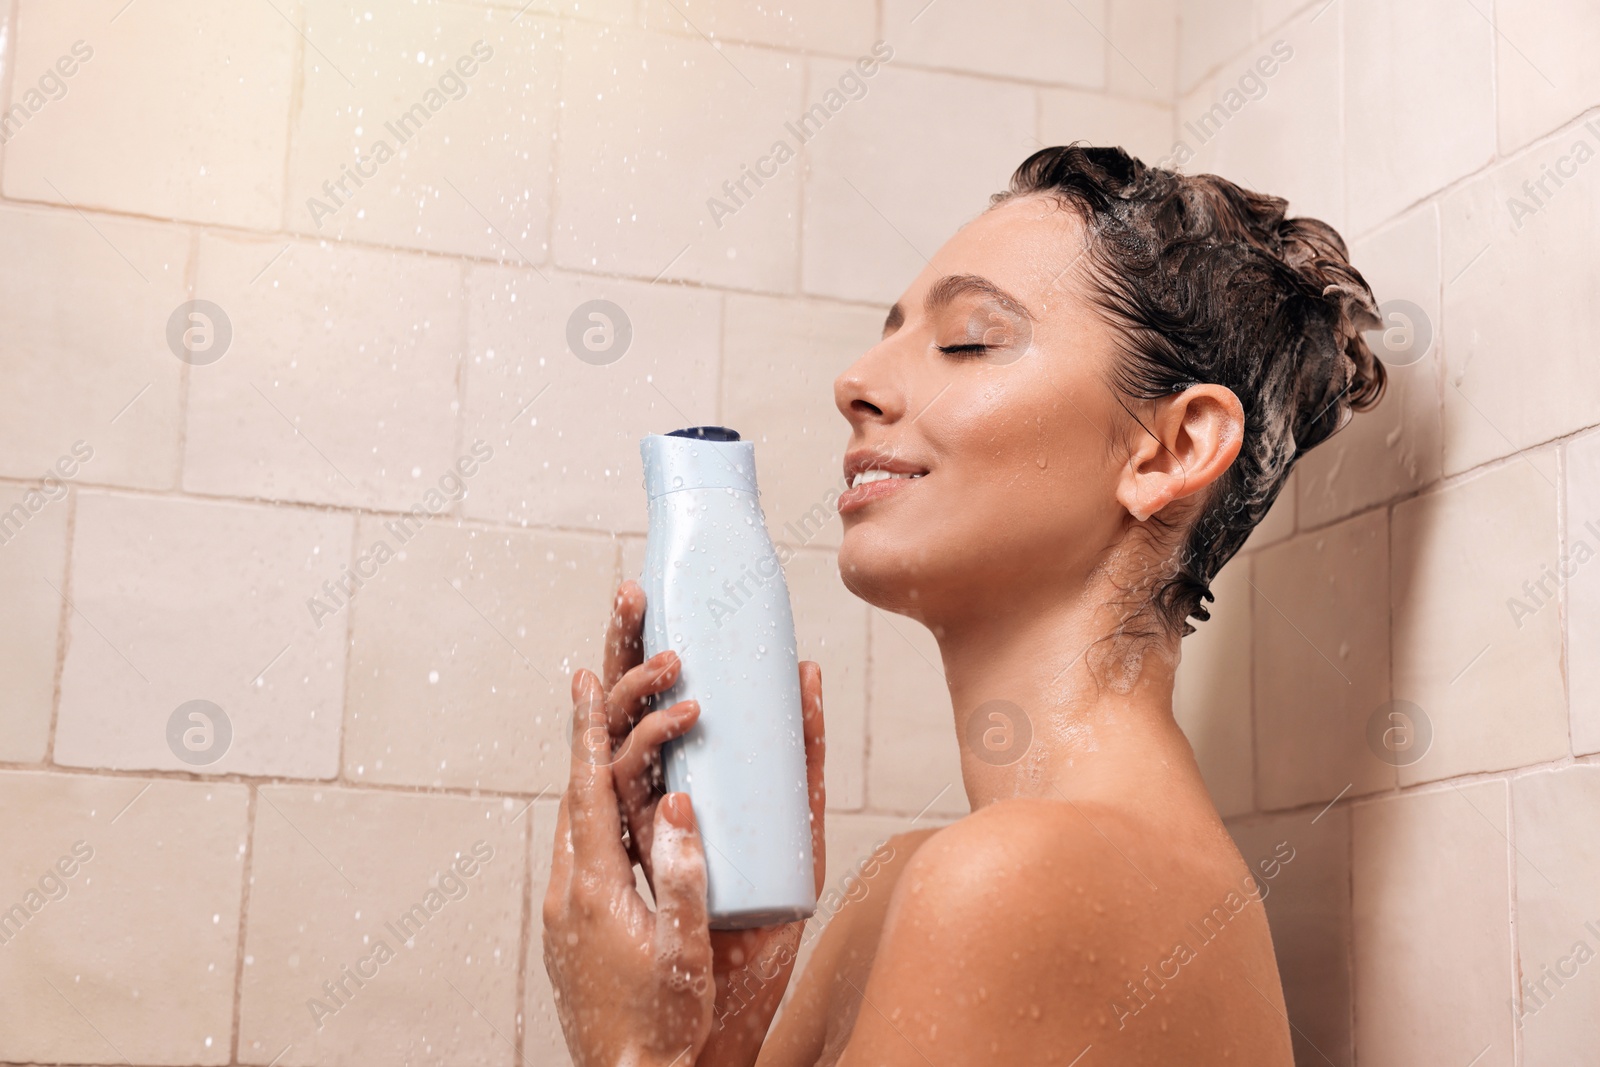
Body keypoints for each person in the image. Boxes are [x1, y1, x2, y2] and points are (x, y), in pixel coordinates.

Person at [541, 144, 1385, 1066]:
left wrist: (622, 1048)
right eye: (891, 333)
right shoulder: (913, 881)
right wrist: (714, 1031)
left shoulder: (1017, 881)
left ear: (1170, 450)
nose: (854, 381)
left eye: (969, 340)